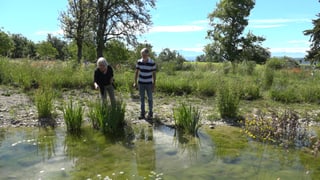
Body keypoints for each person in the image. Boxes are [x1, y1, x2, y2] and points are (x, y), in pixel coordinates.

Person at [133, 48, 156, 120]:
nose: (143, 56)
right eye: (142, 55)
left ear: (147, 54)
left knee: (150, 99)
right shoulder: (139, 62)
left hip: (149, 83)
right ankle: (142, 113)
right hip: (141, 83)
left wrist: (154, 84)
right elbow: (136, 72)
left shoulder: (152, 62)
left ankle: (150, 113)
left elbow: (154, 74)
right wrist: (135, 82)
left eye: (144, 55)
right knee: (142, 98)